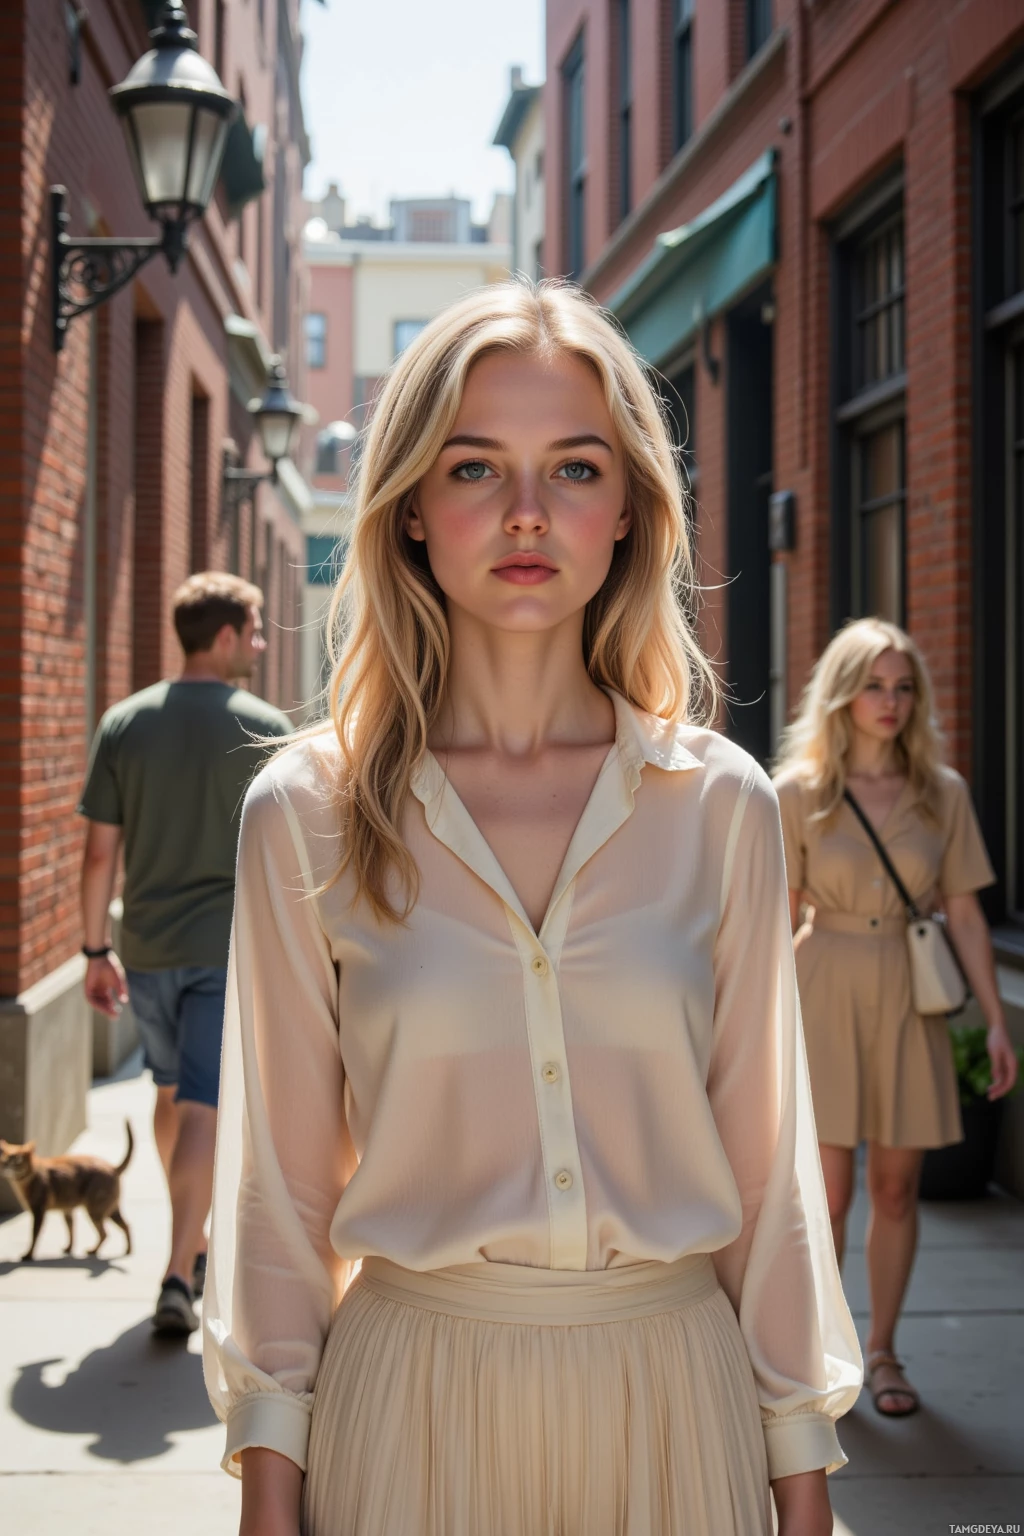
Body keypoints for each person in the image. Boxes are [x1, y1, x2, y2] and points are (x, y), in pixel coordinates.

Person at [203, 283, 862, 1536]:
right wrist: (269, 1494)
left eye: (571, 466)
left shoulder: (719, 804)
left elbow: (769, 1178)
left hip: (675, 1405)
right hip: (409, 1412)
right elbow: (278, 1200)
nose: (523, 513)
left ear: (626, 512)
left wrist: (802, 1480)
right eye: (472, 468)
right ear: (406, 514)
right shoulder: (305, 812)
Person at [773, 618, 1018, 1420]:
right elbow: (774, 918)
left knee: (898, 1188)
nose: (890, 701)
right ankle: (822, 1351)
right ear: (843, 694)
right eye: (874, 684)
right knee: (829, 1196)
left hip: (910, 998)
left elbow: (967, 914)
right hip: (823, 984)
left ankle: (882, 1353)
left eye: (903, 686)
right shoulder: (798, 793)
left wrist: (994, 1020)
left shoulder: (940, 792)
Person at [79, 572, 292, 1337]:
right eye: (257, 630)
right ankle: (179, 1270)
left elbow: (99, 854)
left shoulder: (124, 723)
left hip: (145, 946)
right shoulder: (266, 725)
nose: (261, 644)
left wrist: (92, 950)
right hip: (223, 946)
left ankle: (188, 1235)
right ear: (227, 636)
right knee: (203, 1101)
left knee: (169, 1092)